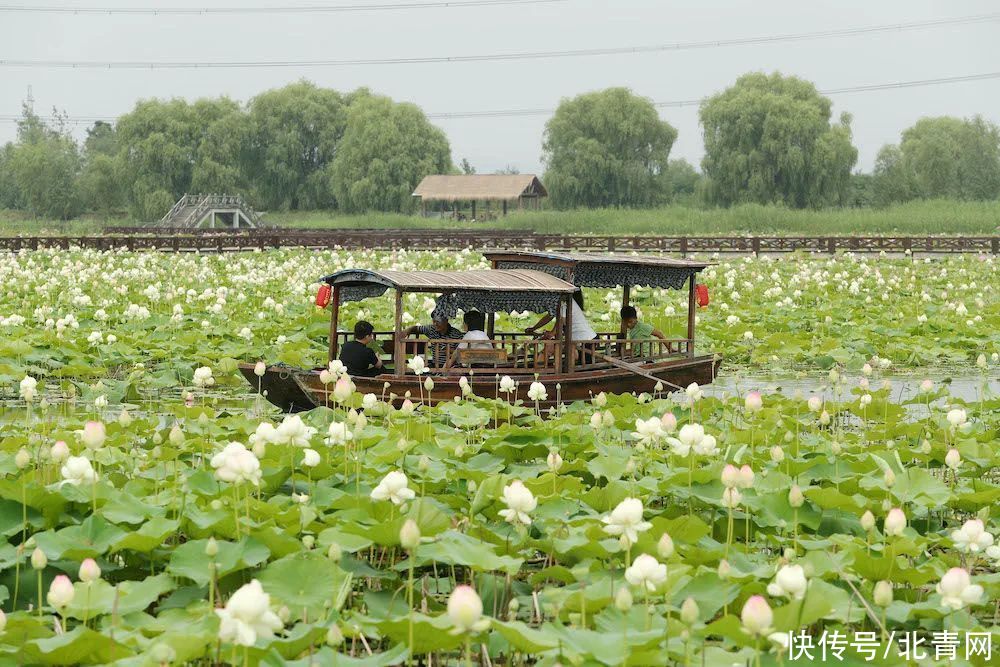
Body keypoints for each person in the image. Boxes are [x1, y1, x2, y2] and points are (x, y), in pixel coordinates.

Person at [525, 290, 598, 364]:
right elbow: (549, 317)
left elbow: (560, 322)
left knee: (582, 363)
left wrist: (552, 333)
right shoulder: (562, 303)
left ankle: (539, 370)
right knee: (569, 354)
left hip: (586, 340)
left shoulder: (565, 304)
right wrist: (534, 328)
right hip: (579, 340)